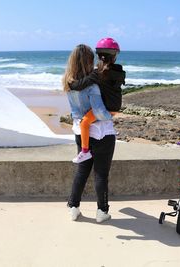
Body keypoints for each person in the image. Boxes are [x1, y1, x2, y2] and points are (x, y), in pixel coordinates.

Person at [62, 43, 117, 223]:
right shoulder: (92, 86)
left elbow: (75, 111)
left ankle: (73, 207)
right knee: (101, 174)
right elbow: (100, 112)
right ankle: (102, 211)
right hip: (101, 132)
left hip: (81, 132)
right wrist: (113, 114)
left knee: (82, 170)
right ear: (88, 62)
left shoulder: (68, 82)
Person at [69, 37, 125, 164]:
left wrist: (71, 85)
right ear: (115, 56)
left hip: (106, 108)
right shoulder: (119, 71)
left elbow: (81, 85)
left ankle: (84, 151)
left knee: (84, 123)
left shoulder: (98, 73)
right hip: (115, 107)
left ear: (98, 55)